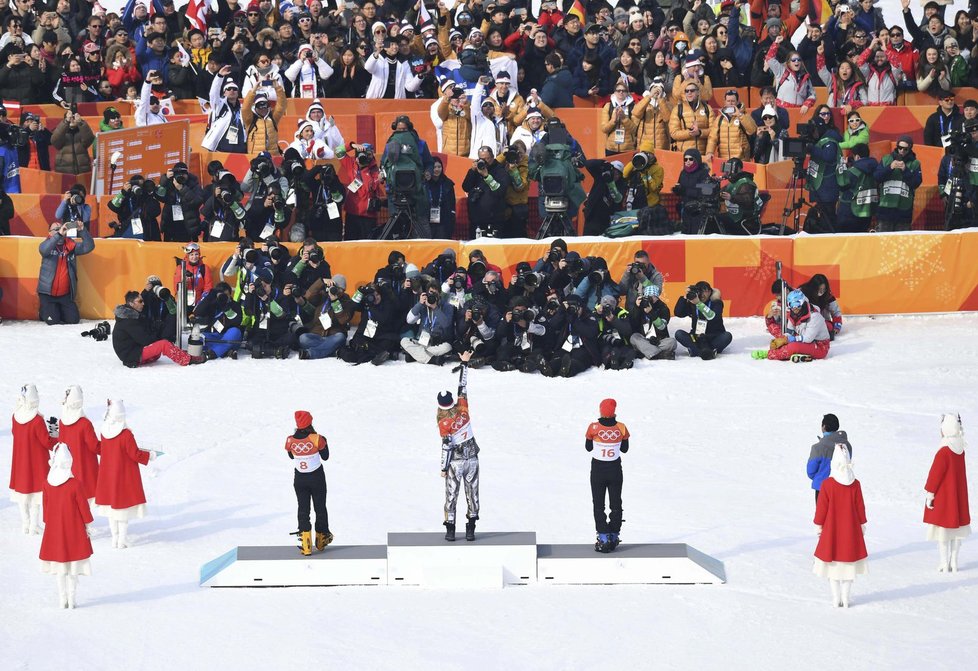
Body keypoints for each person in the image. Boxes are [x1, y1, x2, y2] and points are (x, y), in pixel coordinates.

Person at [40, 443, 94, 609]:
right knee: (73, 567)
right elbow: (84, 508)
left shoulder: (47, 484)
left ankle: (61, 599)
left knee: (59, 568)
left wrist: (50, 524)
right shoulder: (75, 484)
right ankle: (71, 599)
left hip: (55, 530)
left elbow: (46, 510)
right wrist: (87, 525)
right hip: (74, 530)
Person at [813, 444, 868, 609]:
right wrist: (862, 523)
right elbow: (860, 506)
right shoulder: (855, 484)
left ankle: (836, 598)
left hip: (832, 531)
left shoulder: (828, 484)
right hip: (851, 531)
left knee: (833, 568)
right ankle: (846, 597)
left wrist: (819, 525)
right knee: (849, 567)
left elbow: (821, 508)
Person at [95, 399, 154, 549]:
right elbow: (135, 454)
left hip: (107, 476)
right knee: (122, 512)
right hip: (123, 477)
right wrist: (150, 456)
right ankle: (121, 540)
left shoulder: (104, 431)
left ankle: (114, 538)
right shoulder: (126, 435)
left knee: (110, 511)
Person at [437, 351, 480, 542]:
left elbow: (446, 446)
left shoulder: (442, 422)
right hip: (472, 457)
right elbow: (462, 386)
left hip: (455, 462)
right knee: (473, 493)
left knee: (451, 494)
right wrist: (464, 364)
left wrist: (443, 468)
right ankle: (471, 528)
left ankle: (451, 529)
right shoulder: (463, 406)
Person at [923, 413, 970, 573]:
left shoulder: (944, 451)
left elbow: (935, 474)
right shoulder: (960, 449)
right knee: (956, 533)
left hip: (944, 497)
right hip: (958, 496)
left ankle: (944, 563)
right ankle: (954, 562)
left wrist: (930, 493)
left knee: (943, 533)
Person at [111, 290, 207, 367]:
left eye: (143, 300)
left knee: (159, 350)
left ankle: (181, 353)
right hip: (131, 355)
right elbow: (145, 340)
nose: (143, 303)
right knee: (163, 345)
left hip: (134, 351)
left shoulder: (133, 316)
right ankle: (188, 359)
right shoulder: (128, 321)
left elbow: (147, 331)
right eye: (140, 301)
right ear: (131, 304)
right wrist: (160, 339)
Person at [285, 410, 332, 556]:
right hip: (316, 477)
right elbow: (326, 457)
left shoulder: (290, 440)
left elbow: (291, 456)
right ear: (310, 422)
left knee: (303, 509)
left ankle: (305, 544)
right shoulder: (317, 439)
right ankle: (321, 539)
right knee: (320, 507)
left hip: (300, 479)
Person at [10, 384, 56, 534]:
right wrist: (55, 433)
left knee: (22, 494)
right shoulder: (37, 421)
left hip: (20, 461)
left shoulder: (15, 417)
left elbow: (14, 433)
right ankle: (34, 525)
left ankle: (25, 523)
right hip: (37, 462)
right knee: (36, 495)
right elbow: (47, 442)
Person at [586, 398, 629, 553]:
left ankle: (603, 537)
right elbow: (625, 449)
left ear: (601, 411)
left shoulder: (593, 427)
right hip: (615, 469)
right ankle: (614, 534)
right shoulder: (621, 428)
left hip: (598, 469)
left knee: (599, 504)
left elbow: (588, 447)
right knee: (616, 503)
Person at [37, 220, 94, 325]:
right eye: (56, 229)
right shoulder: (46, 245)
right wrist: (59, 234)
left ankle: (57, 310)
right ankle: (45, 311)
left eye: (62, 228)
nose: (61, 230)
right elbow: (44, 250)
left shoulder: (71, 245)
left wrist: (82, 231)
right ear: (50, 233)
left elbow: (89, 246)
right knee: (52, 322)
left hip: (65, 295)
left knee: (73, 320)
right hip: (48, 294)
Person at [57, 385, 100, 507]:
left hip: (69, 468)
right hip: (86, 468)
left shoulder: (62, 422)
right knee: (86, 499)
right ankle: (83, 525)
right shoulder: (85, 424)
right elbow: (94, 446)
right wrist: (109, 448)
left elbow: (61, 443)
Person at [764, 289, 831, 362]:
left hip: (819, 346)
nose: (795, 308)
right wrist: (782, 339)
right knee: (776, 331)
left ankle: (770, 354)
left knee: (794, 346)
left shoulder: (814, 316)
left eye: (797, 303)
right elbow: (790, 332)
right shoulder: (792, 313)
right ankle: (791, 351)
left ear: (802, 302)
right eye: (791, 304)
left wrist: (788, 340)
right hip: (801, 338)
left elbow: (808, 339)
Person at [298, 275, 353, 360]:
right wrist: (321, 282)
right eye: (335, 288)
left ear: (343, 290)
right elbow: (308, 296)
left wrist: (335, 302)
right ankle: (330, 349)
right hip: (317, 333)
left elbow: (343, 320)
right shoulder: (323, 296)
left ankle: (311, 353)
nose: (336, 291)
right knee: (303, 338)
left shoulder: (347, 301)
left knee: (340, 338)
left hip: (334, 335)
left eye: (340, 289)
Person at [875, 135, 922, 232]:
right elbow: (877, 177)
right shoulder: (886, 159)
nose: (902, 151)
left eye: (905, 149)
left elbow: (916, 183)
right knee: (883, 242)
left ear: (910, 149)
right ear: (896, 147)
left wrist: (905, 170)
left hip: (904, 210)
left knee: (901, 243)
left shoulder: (915, 163)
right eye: (900, 148)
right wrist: (890, 168)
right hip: (886, 207)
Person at [673, 281, 732, 360]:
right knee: (679, 333)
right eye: (700, 291)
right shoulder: (693, 302)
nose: (703, 294)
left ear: (710, 292)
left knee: (727, 336)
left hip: (714, 336)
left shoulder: (716, 302)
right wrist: (685, 297)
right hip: (697, 337)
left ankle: (696, 351)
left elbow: (713, 317)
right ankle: (707, 352)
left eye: (706, 291)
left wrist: (698, 303)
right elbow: (678, 313)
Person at [402, 285, 455, 365]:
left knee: (447, 347)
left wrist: (435, 308)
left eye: (435, 293)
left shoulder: (447, 306)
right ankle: (432, 359)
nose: (433, 295)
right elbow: (409, 320)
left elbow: (446, 324)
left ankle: (415, 355)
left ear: (439, 293)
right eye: (431, 293)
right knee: (404, 341)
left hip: (438, 344)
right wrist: (419, 304)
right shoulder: (423, 305)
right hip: (422, 342)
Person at [807, 413, 853, 504]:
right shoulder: (847, 446)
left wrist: (820, 477)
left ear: (823, 427)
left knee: (823, 517)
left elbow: (810, 471)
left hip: (822, 488)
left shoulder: (818, 447)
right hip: (842, 486)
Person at [835, 143, 878, 233]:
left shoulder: (853, 172)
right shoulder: (876, 169)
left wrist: (843, 169)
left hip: (850, 213)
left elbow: (842, 184)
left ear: (857, 157)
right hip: (867, 212)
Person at [628, 284, 677, 360]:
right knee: (633, 337)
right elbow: (633, 323)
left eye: (653, 296)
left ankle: (647, 351)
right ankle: (660, 354)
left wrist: (651, 312)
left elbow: (662, 327)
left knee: (672, 342)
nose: (650, 299)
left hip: (659, 340)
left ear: (657, 297)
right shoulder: (641, 306)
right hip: (643, 339)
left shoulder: (663, 308)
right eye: (648, 297)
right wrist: (636, 307)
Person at [801, 274, 844, 339]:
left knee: (829, 327)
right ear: (813, 287)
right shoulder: (802, 293)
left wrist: (837, 326)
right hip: (806, 323)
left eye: (824, 289)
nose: (821, 292)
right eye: (819, 289)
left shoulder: (828, 296)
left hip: (822, 323)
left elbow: (836, 312)